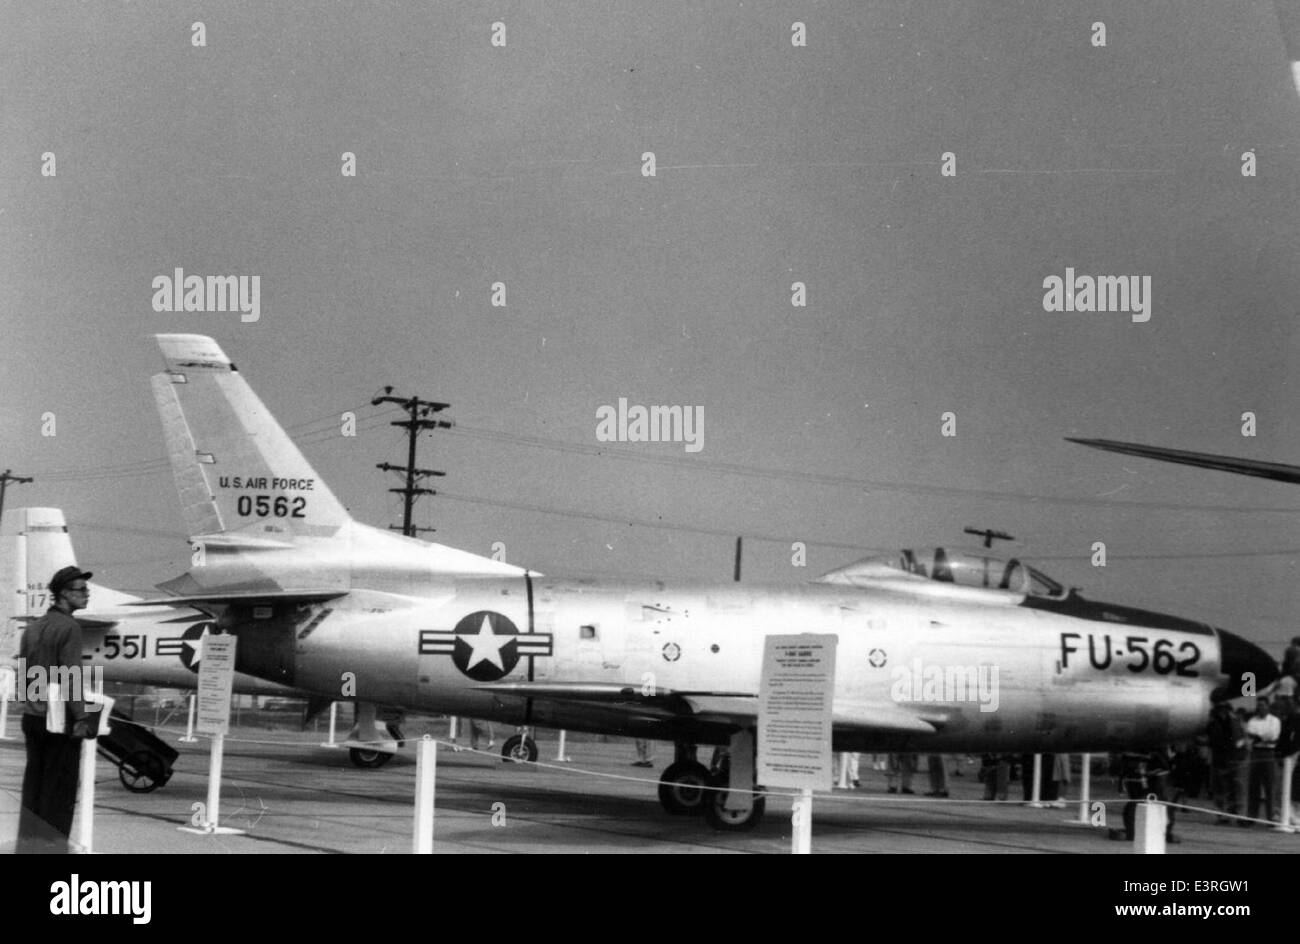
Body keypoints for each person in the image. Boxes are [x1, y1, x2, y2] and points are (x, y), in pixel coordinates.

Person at [17, 566, 98, 854]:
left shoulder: (33, 627)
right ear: (63, 594)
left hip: (33, 716)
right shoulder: (69, 628)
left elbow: (25, 673)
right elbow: (70, 675)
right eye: (80, 590)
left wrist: (32, 705)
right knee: (60, 790)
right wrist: (82, 716)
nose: (86, 594)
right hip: (59, 719)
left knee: (35, 787)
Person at [1206, 700, 1247, 824]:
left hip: (1234, 759)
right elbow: (1211, 741)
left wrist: (1240, 755)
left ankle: (1240, 814)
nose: (1223, 711)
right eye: (1220, 709)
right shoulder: (1212, 724)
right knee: (1220, 789)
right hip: (1219, 759)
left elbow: (1241, 740)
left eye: (1225, 709)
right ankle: (1222, 814)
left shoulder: (1235, 722)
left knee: (1237, 787)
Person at [1244, 697, 1281, 825]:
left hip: (1269, 753)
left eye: (1263, 705)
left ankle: (1271, 817)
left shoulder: (1274, 721)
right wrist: (1261, 737)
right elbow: (1249, 734)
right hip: (1256, 752)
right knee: (1253, 785)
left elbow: (1273, 736)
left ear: (1268, 706)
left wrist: (1259, 737)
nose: (1260, 707)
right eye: (1258, 705)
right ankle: (1251, 816)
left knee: (1270, 785)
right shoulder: (1252, 721)